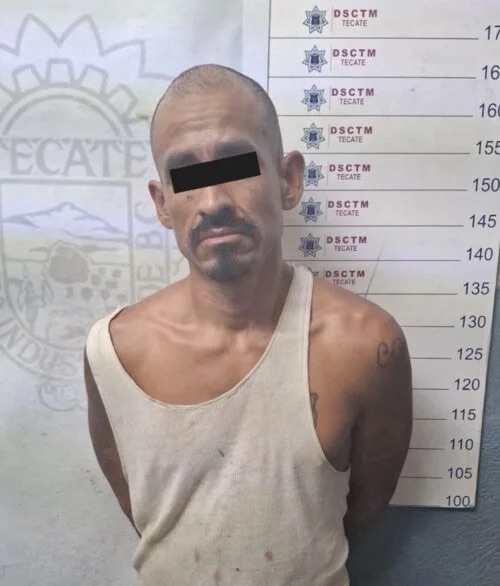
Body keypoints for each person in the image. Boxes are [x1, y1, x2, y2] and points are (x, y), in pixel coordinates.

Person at [84, 63, 413, 585]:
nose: (213, 201)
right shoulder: (114, 352)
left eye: (237, 167)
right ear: (163, 204)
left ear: (288, 181)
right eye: (186, 177)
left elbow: (365, 503)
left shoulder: (366, 345)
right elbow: (141, 507)